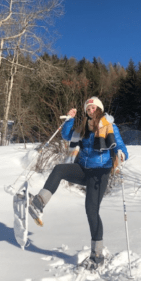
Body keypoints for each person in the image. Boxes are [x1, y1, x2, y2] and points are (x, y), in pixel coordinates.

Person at [29, 96, 128, 271]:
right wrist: (70, 119)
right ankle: (39, 202)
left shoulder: (109, 127)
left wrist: (121, 154)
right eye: (88, 109)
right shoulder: (84, 128)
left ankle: (97, 256)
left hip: (100, 173)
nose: (91, 111)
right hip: (83, 169)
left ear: (100, 109)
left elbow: (119, 146)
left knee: (91, 210)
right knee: (59, 169)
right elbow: (67, 135)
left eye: (94, 108)